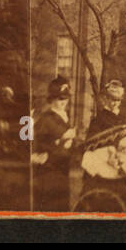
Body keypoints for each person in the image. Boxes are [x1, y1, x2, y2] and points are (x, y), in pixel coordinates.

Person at [31, 77, 76, 212]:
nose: (63, 102)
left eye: (65, 98)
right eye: (59, 99)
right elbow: (35, 144)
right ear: (52, 99)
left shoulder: (64, 116)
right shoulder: (46, 119)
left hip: (61, 172)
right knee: (49, 209)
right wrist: (62, 141)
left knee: (61, 208)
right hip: (48, 174)